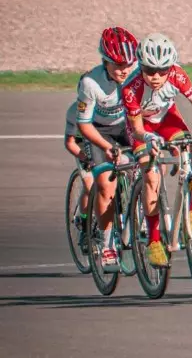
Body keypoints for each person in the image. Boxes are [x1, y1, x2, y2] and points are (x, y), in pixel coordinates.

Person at [122, 33, 192, 267]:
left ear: (170, 67)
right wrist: (148, 137)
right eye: (149, 70)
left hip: (167, 119)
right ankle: (154, 241)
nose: (155, 76)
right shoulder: (131, 88)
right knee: (152, 176)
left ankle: (190, 210)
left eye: (162, 71)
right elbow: (135, 129)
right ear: (140, 66)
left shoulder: (177, 75)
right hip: (143, 129)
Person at [76, 26, 139, 271]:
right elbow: (84, 125)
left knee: (149, 165)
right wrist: (106, 147)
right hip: (97, 131)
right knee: (106, 185)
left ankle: (140, 219)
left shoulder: (136, 75)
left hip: (125, 127)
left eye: (128, 65)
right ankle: (107, 242)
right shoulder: (90, 83)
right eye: (117, 65)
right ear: (105, 61)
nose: (124, 71)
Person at [64, 100, 95, 252]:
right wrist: (85, 159)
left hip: (105, 140)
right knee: (90, 186)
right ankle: (85, 225)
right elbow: (70, 143)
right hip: (82, 144)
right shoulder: (75, 111)